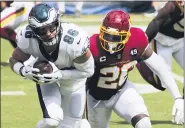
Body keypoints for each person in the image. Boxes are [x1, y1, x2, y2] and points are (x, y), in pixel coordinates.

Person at [86, 10, 184, 128]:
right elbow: (79, 81)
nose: (110, 41)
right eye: (107, 35)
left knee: (144, 124)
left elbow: (161, 68)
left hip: (121, 91)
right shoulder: (91, 45)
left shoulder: (136, 38)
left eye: (116, 38)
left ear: (127, 35)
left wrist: (178, 98)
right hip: (96, 98)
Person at [9, 3, 94, 128]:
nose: (48, 33)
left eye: (51, 27)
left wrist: (60, 74)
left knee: (78, 125)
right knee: (51, 121)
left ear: (58, 22)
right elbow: (14, 60)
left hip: (75, 83)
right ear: (33, 30)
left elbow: (89, 71)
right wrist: (23, 70)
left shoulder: (75, 40)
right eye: (41, 30)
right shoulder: (27, 38)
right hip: (48, 82)